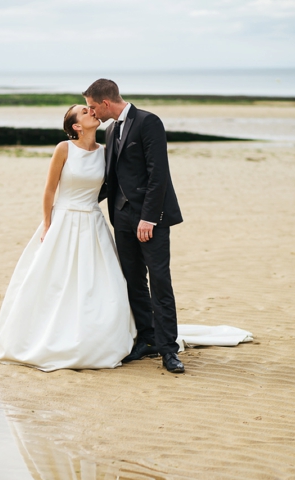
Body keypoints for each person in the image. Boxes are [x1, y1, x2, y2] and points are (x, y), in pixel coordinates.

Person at [0, 104, 135, 371]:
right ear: (76, 127)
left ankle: (97, 336)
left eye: (91, 108)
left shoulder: (105, 153)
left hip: (92, 223)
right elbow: (49, 190)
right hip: (64, 221)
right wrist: (47, 224)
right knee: (55, 281)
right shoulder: (64, 148)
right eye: (84, 111)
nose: (91, 111)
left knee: (100, 283)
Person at [82, 79, 185, 374]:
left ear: (104, 103)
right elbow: (112, 179)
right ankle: (148, 338)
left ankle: (169, 349)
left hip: (149, 219)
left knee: (160, 281)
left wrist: (149, 218)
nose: (91, 112)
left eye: (92, 106)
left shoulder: (148, 122)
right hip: (121, 217)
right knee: (133, 281)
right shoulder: (112, 129)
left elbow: (158, 174)